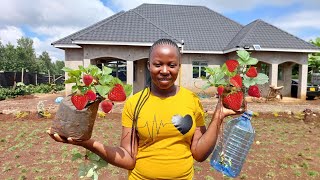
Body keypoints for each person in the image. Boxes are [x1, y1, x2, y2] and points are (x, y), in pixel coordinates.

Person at [47, 38, 244, 179]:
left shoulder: (191, 100)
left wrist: (219, 116)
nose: (165, 70)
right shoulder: (135, 103)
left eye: (171, 65)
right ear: (149, 66)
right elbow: (128, 158)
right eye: (158, 64)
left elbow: (199, 154)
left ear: (178, 66)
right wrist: (87, 143)